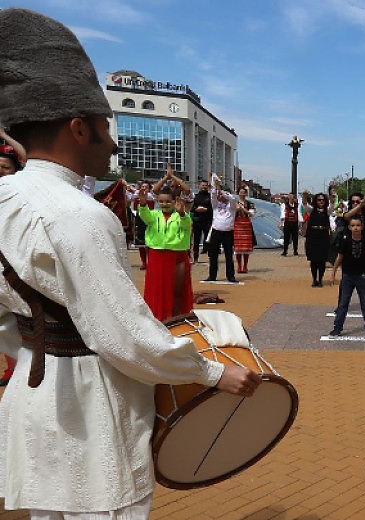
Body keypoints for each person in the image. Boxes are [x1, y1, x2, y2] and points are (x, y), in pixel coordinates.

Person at [0, 8, 261, 518]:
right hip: (92, 412)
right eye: (104, 125)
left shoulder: (3, 198)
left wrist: (32, 351)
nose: (113, 140)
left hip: (32, 401)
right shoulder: (81, 217)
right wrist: (212, 373)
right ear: (78, 128)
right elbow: (127, 337)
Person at [138, 167, 193, 321]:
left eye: (167, 201)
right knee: (157, 289)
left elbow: (186, 225)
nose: (164, 204)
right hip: (157, 255)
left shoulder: (182, 215)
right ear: (157, 202)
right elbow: (144, 215)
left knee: (176, 289)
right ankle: (156, 317)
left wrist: (181, 213)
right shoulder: (153, 215)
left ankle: (176, 318)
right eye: (161, 201)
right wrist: (142, 204)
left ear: (174, 201)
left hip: (177, 255)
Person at [329, 215, 365, 337]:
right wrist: (333, 273)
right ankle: (337, 327)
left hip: (363, 276)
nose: (355, 228)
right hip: (348, 276)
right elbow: (339, 258)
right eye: (353, 226)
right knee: (343, 303)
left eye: (358, 225)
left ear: (362, 227)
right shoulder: (345, 241)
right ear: (349, 227)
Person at [0, 141, 22, 387]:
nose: (1, 171)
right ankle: (11, 366)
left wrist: (6, 135)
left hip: (16, 260)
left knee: (19, 313)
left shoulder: (20, 192)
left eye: (5, 167)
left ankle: (21, 364)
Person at [205, 173, 238, 283]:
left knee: (229, 255)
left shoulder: (231, 206)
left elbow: (232, 199)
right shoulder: (215, 204)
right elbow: (213, 194)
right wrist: (215, 184)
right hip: (216, 231)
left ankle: (230, 276)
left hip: (228, 233)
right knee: (213, 255)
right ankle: (212, 275)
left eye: (223, 196)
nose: (221, 197)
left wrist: (223, 191)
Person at [305, 192, 333, 287]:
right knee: (313, 260)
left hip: (323, 236)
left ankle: (320, 279)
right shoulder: (311, 210)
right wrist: (305, 195)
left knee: (322, 260)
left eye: (323, 200)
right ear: (315, 201)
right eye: (319, 200)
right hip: (313, 236)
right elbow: (304, 203)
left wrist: (330, 194)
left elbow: (332, 204)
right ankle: (314, 279)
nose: (321, 201)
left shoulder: (327, 211)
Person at [129, 180, 156, 270]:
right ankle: (144, 262)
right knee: (140, 242)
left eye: (146, 187)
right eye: (142, 187)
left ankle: (151, 261)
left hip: (149, 219)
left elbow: (137, 193)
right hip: (139, 219)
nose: (144, 189)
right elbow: (130, 193)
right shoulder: (136, 194)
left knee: (149, 242)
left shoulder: (150, 195)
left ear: (149, 189)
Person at [234, 187, 256, 274]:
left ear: (246, 194)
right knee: (238, 246)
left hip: (246, 224)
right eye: (241, 192)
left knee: (246, 247)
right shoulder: (234, 203)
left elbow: (251, 214)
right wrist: (236, 209)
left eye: (244, 193)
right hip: (237, 224)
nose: (242, 194)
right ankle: (239, 266)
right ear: (238, 193)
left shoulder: (250, 204)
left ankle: (245, 266)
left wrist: (242, 209)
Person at [190, 179, 213, 264]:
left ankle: (211, 257)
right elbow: (192, 209)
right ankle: (195, 258)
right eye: (202, 185)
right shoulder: (195, 196)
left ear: (208, 187)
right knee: (196, 240)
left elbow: (213, 209)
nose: (204, 187)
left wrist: (206, 209)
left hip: (207, 221)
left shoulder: (210, 197)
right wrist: (197, 209)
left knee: (209, 240)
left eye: (205, 186)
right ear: (199, 186)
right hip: (197, 221)